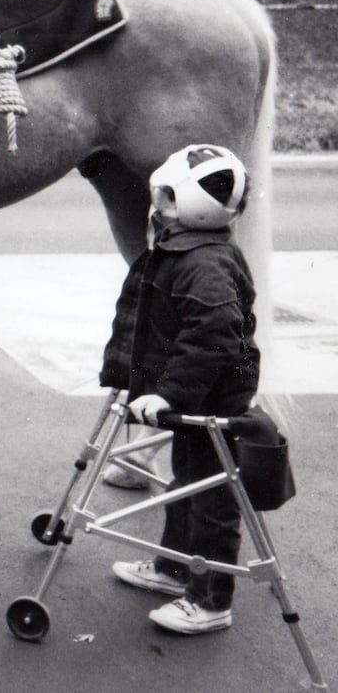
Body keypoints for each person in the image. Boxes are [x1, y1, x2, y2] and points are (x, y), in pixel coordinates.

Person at [99, 144, 258, 635]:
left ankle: (211, 602)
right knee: (185, 485)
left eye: (167, 197)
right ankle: (174, 569)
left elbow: (214, 334)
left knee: (211, 500)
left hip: (211, 402)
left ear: (194, 207)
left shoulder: (203, 264)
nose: (156, 203)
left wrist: (168, 394)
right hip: (197, 398)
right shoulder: (183, 247)